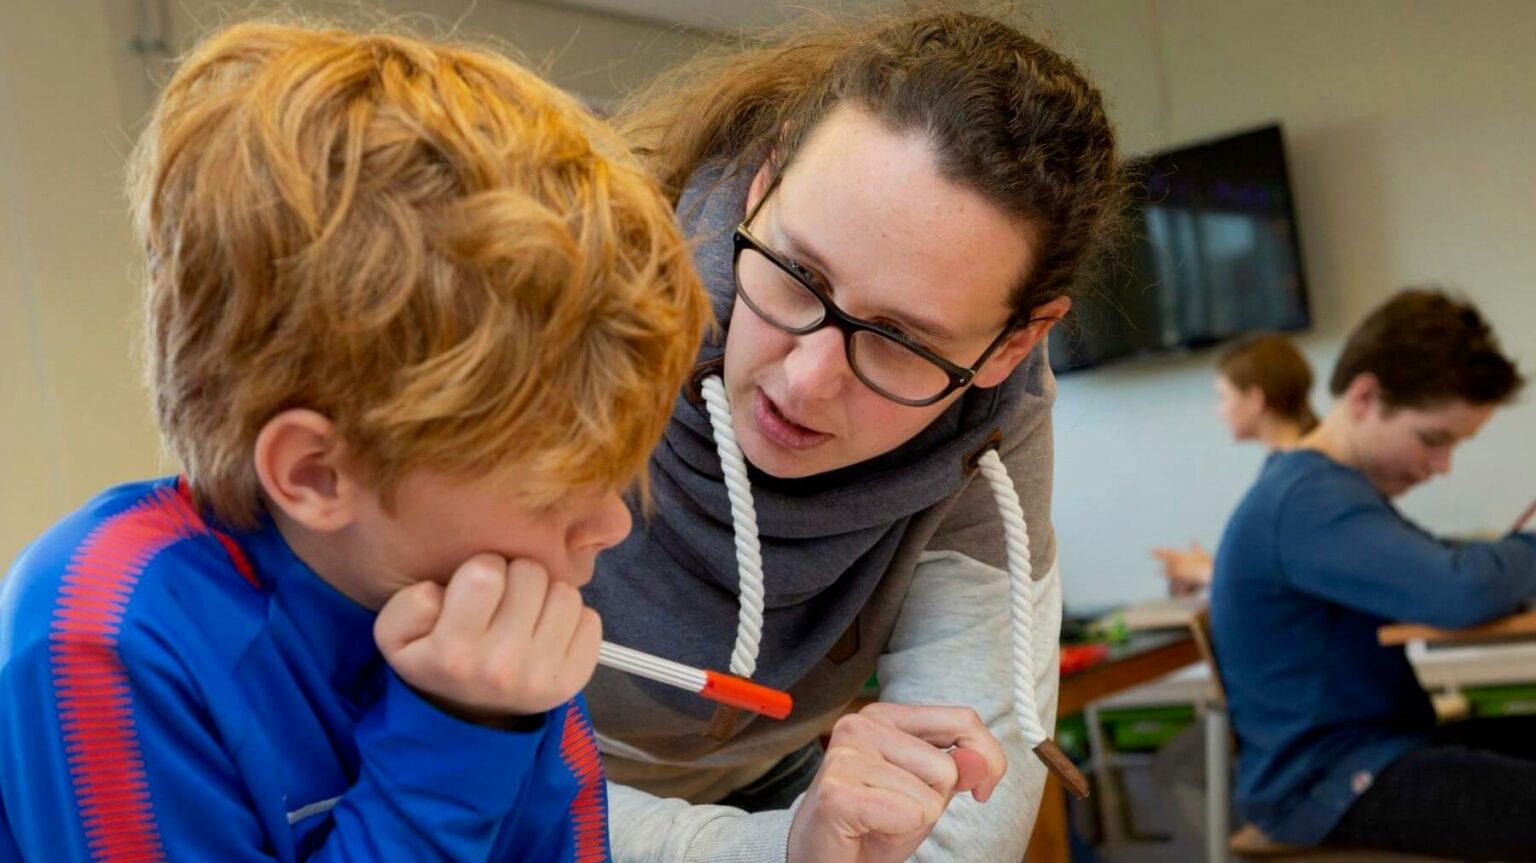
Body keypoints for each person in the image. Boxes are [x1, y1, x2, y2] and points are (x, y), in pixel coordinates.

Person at [0, 22, 709, 861]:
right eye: (558, 485)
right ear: (316, 472)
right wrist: (462, 735)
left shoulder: (484, 624)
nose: (611, 526)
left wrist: (505, 713)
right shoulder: (103, 631)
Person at [580, 7, 1124, 862]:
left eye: (903, 342)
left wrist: (803, 844)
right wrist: (781, 852)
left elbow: (962, 828)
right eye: (799, 274)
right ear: (765, 180)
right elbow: (415, 757)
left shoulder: (990, 425)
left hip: (761, 789)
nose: (803, 382)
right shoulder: (578, 284)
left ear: (1012, 343)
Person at [1210, 288, 1536, 858]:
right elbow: (1462, 590)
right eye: (1433, 440)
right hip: (1330, 780)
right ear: (1365, 397)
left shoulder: (1325, 490)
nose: (1441, 467)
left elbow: (1444, 565)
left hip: (1375, 750)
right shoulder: (1308, 501)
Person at [1154, 333, 1318, 592]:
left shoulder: (1300, 479)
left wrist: (1208, 572)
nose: (1219, 411)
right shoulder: (1291, 470)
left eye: (1223, 396)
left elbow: (1294, 579)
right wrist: (1216, 568)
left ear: (1255, 399)